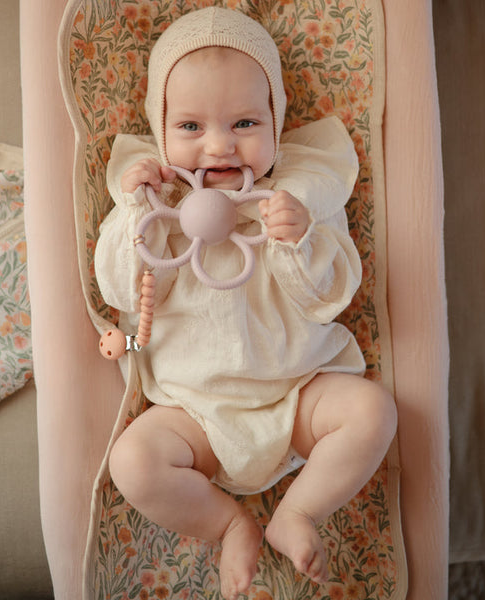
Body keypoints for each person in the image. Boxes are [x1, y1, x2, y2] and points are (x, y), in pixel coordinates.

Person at [94, 7, 397, 600]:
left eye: (246, 122)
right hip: (195, 415)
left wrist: (298, 239)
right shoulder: (155, 206)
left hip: (299, 395)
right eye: (190, 126)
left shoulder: (298, 197)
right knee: (133, 462)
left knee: (372, 412)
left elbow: (331, 297)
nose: (219, 145)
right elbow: (122, 290)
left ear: (277, 123)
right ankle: (229, 524)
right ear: (160, 131)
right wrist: (137, 213)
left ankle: (298, 510)